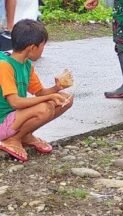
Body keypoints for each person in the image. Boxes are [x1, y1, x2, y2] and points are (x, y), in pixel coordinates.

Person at [0, 20, 74, 162]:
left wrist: (57, 89)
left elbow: (39, 92)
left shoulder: (26, 64)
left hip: (14, 118)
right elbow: (15, 102)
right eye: (42, 46)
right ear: (32, 48)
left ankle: (25, 135)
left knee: (65, 98)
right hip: (2, 120)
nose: (43, 50)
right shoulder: (4, 66)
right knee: (44, 108)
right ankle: (12, 139)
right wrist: (50, 97)